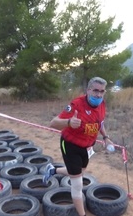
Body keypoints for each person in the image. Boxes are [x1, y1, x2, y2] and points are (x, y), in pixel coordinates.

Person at [43, 77, 114, 216]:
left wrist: (106, 137)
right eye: (95, 91)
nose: (98, 95)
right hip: (70, 145)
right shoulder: (76, 105)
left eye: (102, 91)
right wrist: (69, 122)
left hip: (87, 147)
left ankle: (53, 170)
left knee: (79, 172)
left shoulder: (102, 104)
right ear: (88, 90)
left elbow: (100, 123)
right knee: (77, 184)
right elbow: (53, 123)